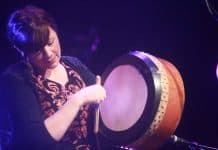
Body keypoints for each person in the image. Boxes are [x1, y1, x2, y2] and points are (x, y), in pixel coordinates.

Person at [0, 5, 106, 150]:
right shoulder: (15, 79)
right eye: (38, 51)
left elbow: (106, 107)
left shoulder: (73, 65)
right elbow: (35, 142)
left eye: (50, 43)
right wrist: (77, 99)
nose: (48, 54)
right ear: (23, 52)